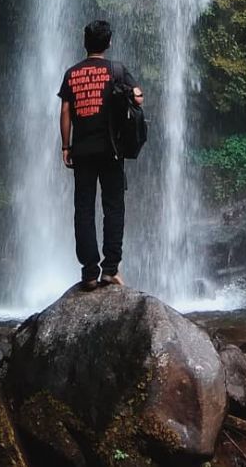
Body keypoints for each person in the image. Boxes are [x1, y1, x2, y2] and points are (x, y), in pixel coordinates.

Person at [58, 19, 144, 291]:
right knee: (113, 207)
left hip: (82, 151)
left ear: (85, 44)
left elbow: (65, 112)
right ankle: (110, 269)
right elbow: (138, 98)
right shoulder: (117, 70)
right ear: (109, 43)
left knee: (83, 210)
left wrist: (65, 146)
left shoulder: (72, 74)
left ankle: (89, 273)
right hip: (112, 151)